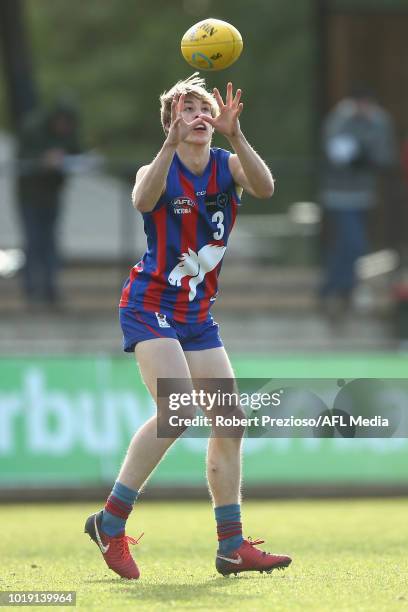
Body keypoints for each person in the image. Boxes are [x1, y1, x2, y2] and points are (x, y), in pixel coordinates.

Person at [84, 74, 292, 579]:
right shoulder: (158, 167)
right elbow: (141, 200)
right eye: (187, 109)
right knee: (177, 412)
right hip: (149, 304)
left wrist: (236, 134)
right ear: (172, 122)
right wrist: (168, 145)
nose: (199, 116)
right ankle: (111, 522)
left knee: (230, 420)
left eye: (205, 108)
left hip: (197, 316)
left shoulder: (229, 163)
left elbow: (266, 188)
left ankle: (231, 545)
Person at [319, 86, 397, 315]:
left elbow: (384, 157)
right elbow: (338, 154)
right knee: (354, 243)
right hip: (338, 195)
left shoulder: (380, 122)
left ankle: (334, 290)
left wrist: (364, 156)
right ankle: (339, 288)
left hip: (364, 195)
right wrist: (362, 156)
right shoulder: (339, 119)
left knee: (348, 246)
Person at [16, 97, 81, 307]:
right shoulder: (34, 128)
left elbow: (76, 151)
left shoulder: (67, 131)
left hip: (52, 194)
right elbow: (23, 158)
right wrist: (44, 160)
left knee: (50, 243)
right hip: (30, 195)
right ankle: (32, 291)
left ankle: (50, 291)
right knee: (34, 242)